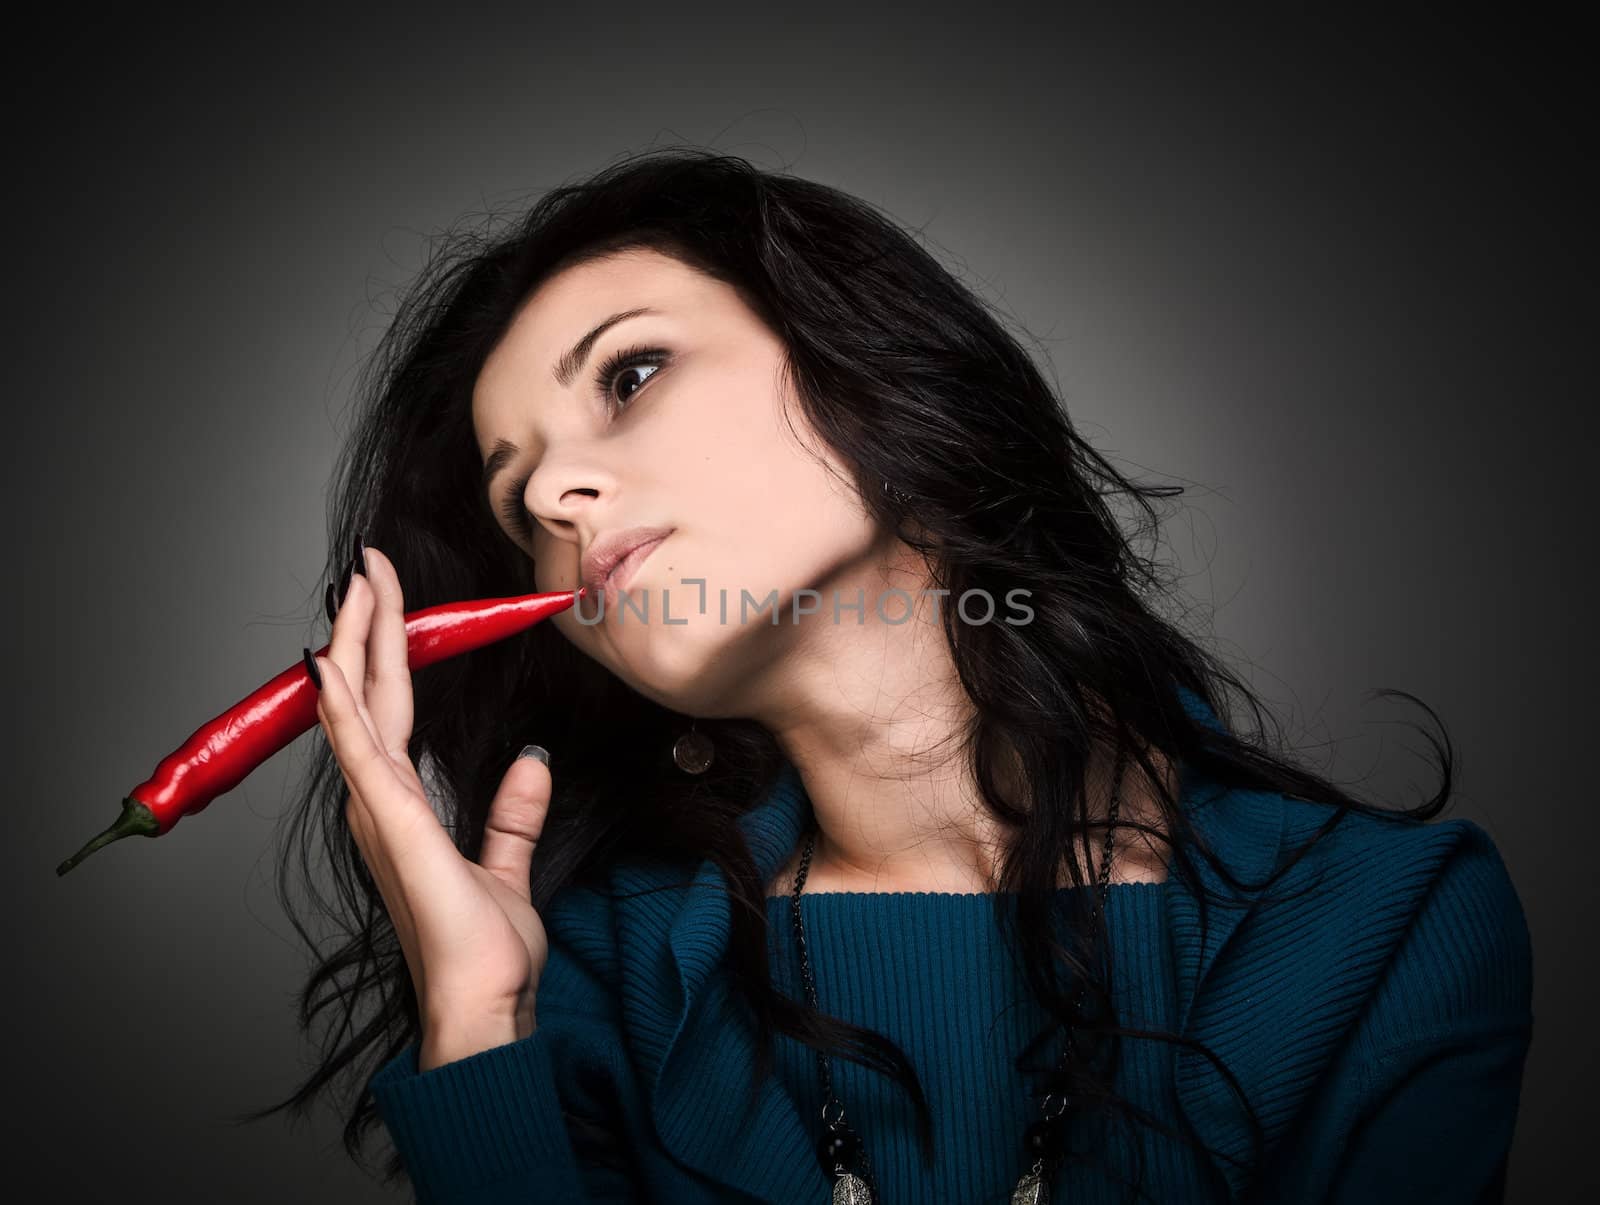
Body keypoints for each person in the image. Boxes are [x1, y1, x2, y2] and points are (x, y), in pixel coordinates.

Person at [245, 150, 1533, 1203]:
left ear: (863, 353)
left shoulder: (1380, 925)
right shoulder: (596, 975)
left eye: (631, 375)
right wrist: (475, 1025)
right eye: (515, 497)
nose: (555, 495)